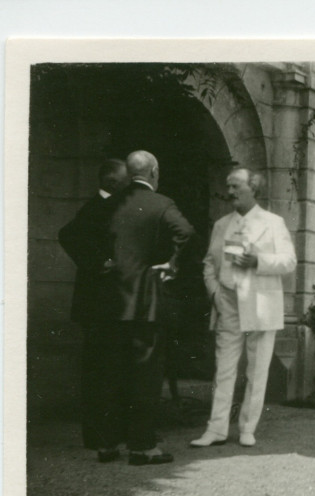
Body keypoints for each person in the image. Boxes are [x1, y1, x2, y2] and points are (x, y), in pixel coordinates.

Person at [190, 168, 296, 449]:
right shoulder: (221, 224)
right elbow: (209, 264)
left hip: (261, 304)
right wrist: (215, 292)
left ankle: (248, 427)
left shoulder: (273, 223)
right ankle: (216, 429)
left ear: (254, 189)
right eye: (228, 187)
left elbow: (289, 261)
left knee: (257, 370)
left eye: (236, 186)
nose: (230, 192)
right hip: (228, 302)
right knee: (223, 369)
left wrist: (258, 261)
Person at [103, 150, 194, 466]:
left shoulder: (110, 202)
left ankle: (108, 444)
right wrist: (172, 263)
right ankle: (142, 447)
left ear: (130, 174)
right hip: (145, 302)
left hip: (111, 301)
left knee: (112, 372)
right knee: (145, 375)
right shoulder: (161, 204)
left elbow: (73, 234)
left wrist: (101, 264)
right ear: (153, 172)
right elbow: (186, 231)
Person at [57, 159, 130, 462]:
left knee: (104, 368)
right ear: (112, 182)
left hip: (103, 304)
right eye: (125, 181)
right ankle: (98, 435)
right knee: (100, 370)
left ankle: (104, 433)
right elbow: (67, 235)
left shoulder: (105, 206)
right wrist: (100, 262)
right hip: (98, 305)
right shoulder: (96, 208)